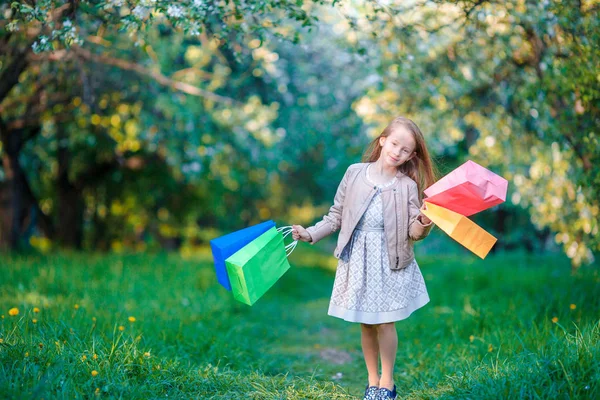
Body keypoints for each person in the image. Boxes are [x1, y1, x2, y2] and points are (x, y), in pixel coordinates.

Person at [291, 116, 437, 400]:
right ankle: (372, 382)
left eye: (405, 150)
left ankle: (387, 383)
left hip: (390, 259)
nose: (398, 152)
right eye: (394, 144)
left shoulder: (406, 185)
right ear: (383, 140)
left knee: (386, 321)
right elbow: (336, 215)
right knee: (367, 322)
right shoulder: (355, 173)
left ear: (412, 155)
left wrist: (423, 221)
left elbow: (412, 232)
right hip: (359, 257)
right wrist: (310, 234)